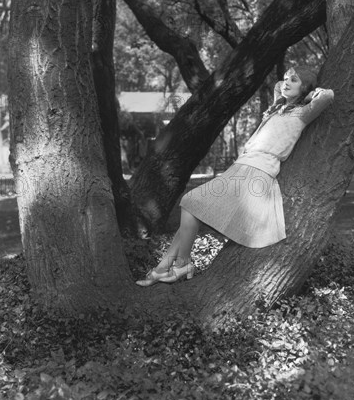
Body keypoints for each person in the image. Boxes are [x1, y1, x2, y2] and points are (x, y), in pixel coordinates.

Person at [136, 66, 334, 286]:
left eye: (294, 80)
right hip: (241, 166)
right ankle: (164, 268)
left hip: (257, 171)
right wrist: (291, 83)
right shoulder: (278, 109)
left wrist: (310, 93)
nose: (286, 82)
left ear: (304, 86)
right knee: (193, 208)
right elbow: (279, 86)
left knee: (190, 203)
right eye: (286, 78)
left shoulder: (302, 113)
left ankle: (182, 264)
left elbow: (327, 96)